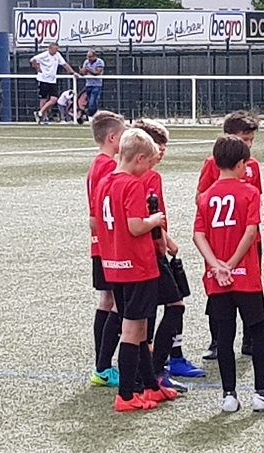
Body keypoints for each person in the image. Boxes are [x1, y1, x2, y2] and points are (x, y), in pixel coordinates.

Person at [193, 135, 264, 413]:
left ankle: (229, 395)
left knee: (224, 336)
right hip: (246, 277)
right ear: (240, 164)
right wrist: (232, 264)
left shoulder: (206, 197)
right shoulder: (250, 193)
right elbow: (250, 231)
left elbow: (198, 236)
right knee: (258, 331)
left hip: (217, 279)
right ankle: (262, 394)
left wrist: (216, 266)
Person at [91, 128, 177, 412]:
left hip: (114, 264)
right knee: (134, 329)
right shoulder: (132, 184)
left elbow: (98, 222)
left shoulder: (105, 182)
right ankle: (127, 394)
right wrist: (155, 220)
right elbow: (135, 226)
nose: (149, 168)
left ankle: (150, 385)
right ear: (139, 158)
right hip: (137, 265)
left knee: (138, 329)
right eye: (148, 162)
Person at [132, 118, 205, 383]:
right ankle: (156, 369)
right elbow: (144, 216)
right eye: (158, 147)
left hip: (148, 250)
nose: (162, 152)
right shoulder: (145, 177)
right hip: (149, 252)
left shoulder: (141, 175)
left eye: (164, 147)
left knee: (149, 311)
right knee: (173, 305)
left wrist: (166, 238)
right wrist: (163, 241)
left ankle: (157, 366)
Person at [196, 111, 262, 360]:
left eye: (251, 140)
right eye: (244, 139)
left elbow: (257, 198)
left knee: (250, 288)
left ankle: (250, 339)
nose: (249, 145)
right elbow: (201, 197)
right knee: (218, 288)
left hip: (249, 238)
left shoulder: (252, 166)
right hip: (219, 239)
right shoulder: (212, 164)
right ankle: (217, 340)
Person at [86, 111, 127, 389]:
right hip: (108, 245)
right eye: (123, 135)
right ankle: (102, 366)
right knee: (115, 303)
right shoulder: (108, 166)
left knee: (107, 300)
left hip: (100, 243)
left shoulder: (97, 164)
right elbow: (99, 213)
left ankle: (102, 365)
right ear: (112, 138)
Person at [31, 42, 77, 125]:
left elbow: (64, 64)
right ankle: (44, 118)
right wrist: (37, 68)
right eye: (55, 49)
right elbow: (32, 60)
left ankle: (40, 113)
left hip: (52, 80)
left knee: (54, 99)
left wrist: (73, 72)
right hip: (43, 80)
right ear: (50, 48)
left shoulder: (57, 55)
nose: (56, 51)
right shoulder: (44, 55)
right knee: (43, 99)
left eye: (57, 49)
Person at [80, 49, 105, 117]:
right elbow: (83, 73)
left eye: (90, 57)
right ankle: (93, 114)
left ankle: (92, 115)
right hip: (88, 84)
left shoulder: (100, 62)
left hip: (96, 85)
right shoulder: (86, 62)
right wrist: (82, 71)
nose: (89, 59)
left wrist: (88, 70)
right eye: (88, 57)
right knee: (89, 101)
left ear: (94, 56)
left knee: (92, 101)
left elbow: (97, 72)